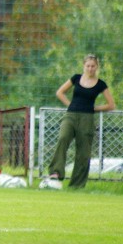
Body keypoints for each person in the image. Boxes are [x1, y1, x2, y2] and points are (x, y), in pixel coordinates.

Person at [47, 54, 115, 189]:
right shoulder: (76, 78)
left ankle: (76, 185)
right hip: (71, 115)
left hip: (87, 118)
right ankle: (56, 172)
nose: (90, 69)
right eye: (88, 66)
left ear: (97, 67)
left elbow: (111, 105)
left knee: (83, 151)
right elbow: (60, 92)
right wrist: (70, 105)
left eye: (93, 66)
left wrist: (94, 109)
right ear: (84, 66)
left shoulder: (101, 84)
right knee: (63, 138)